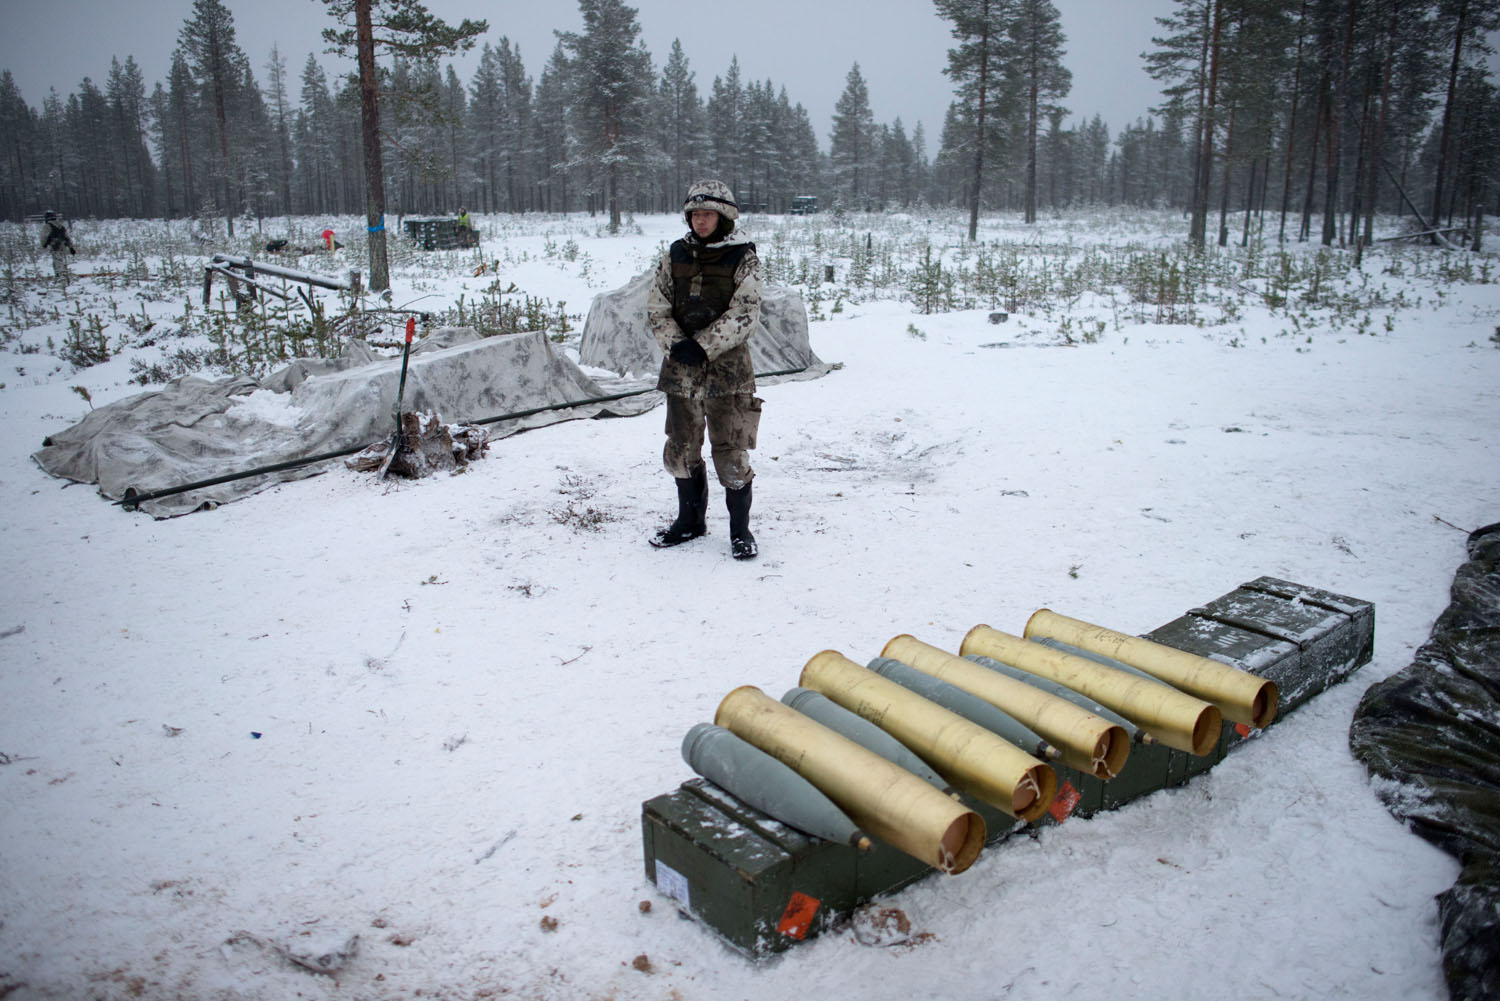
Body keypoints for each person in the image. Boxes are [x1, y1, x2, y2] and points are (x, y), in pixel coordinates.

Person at [646, 179, 764, 560]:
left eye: (708, 214)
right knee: (680, 449)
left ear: (723, 216)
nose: (700, 221)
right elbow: (658, 305)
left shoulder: (742, 256)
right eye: (695, 214)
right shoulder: (674, 254)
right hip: (681, 370)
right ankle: (691, 522)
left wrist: (704, 344)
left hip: (727, 372)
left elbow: (746, 311)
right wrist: (677, 344)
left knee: (730, 452)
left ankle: (740, 530)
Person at [41, 211, 75, 284]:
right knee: (63, 262)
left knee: (57, 263)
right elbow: (67, 237)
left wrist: (44, 245)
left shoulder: (47, 226)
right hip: (63, 246)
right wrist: (71, 247)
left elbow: (43, 237)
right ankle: (65, 277)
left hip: (55, 246)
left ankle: (61, 279)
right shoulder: (61, 226)